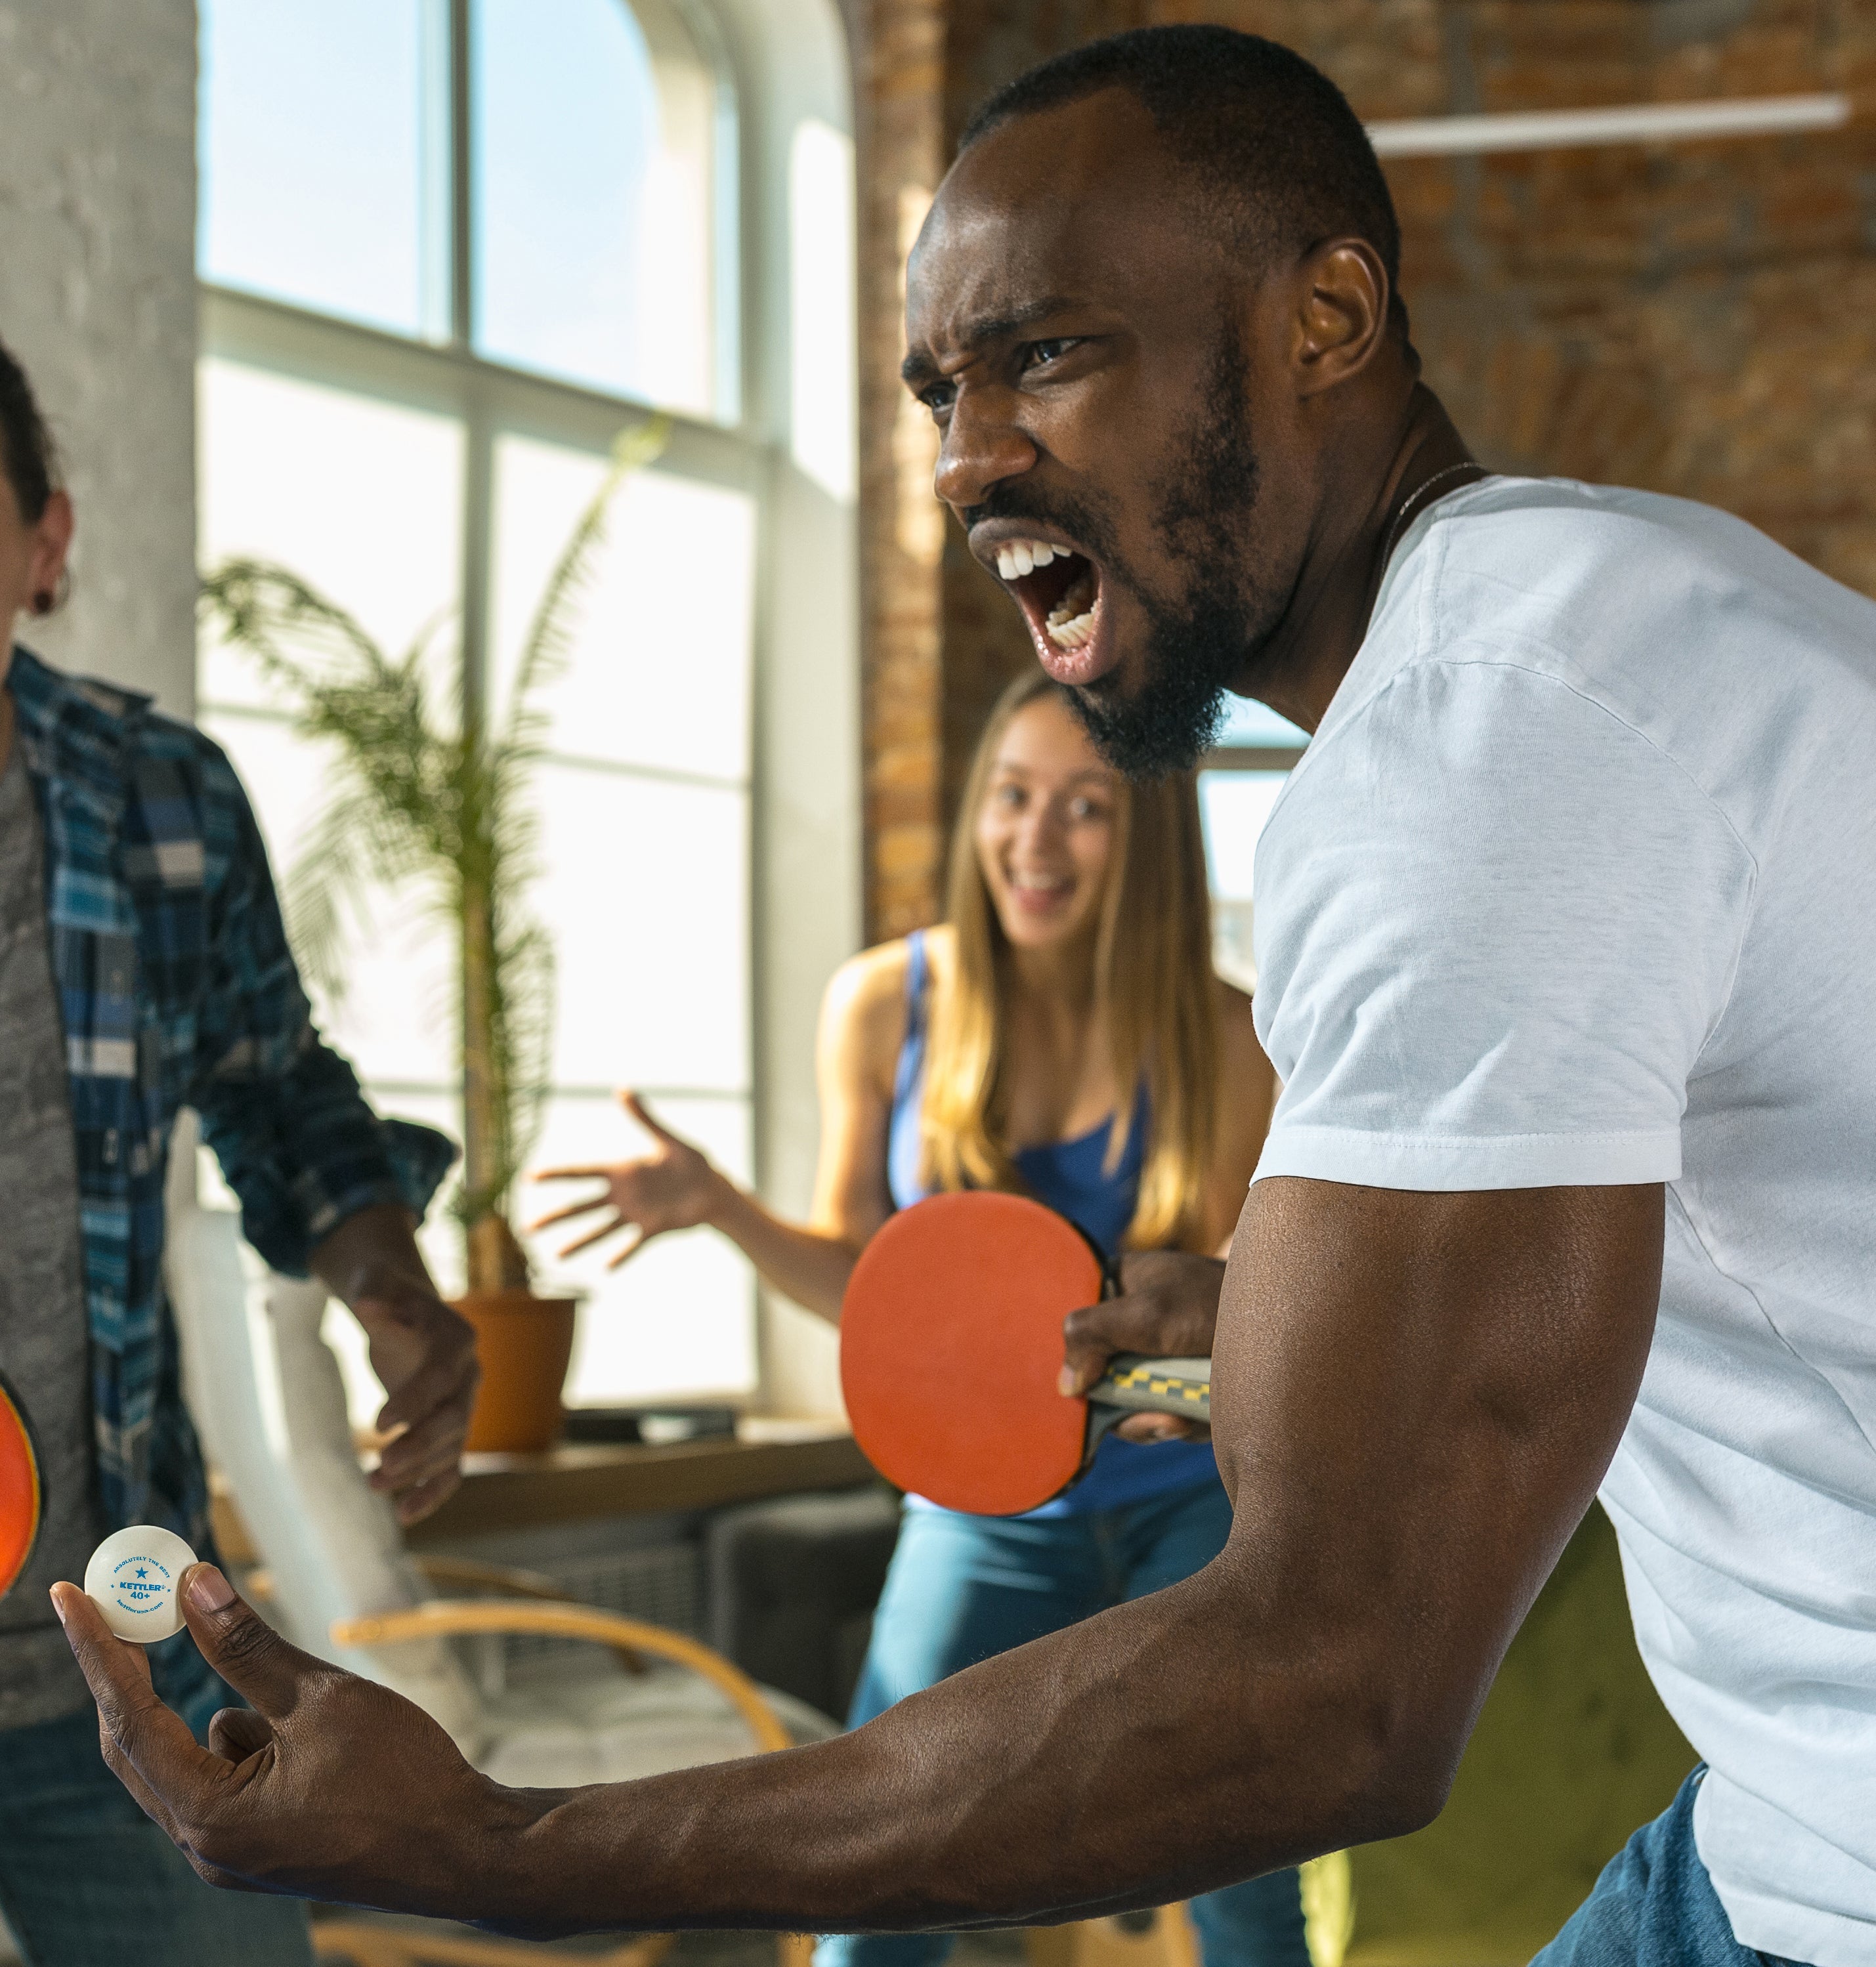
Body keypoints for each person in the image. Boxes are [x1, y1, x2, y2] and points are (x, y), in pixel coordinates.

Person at [51, 24, 1876, 1967]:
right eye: (940, 385)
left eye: (1049, 353)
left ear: (1326, 317)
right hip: (1783, 1819)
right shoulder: (1616, 607)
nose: (963, 454)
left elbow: (1330, 1683)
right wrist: (1272, 1310)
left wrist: (499, 1838)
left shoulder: (1480, 735)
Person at [529, 667, 1302, 1967]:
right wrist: (719, 1202)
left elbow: (1240, 1314)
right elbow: (867, 1289)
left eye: (1085, 808)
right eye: (1010, 796)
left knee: (1243, 1872)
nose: (1032, 839)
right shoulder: (886, 1007)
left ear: (1152, 838)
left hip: (1187, 1511)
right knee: (882, 1864)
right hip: (983, 1511)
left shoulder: (1229, 1036)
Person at [0, 337, 479, 1967]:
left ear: (44, 541)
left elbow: (282, 1096)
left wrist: (389, 1281)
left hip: (118, 1664)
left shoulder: (159, 803)